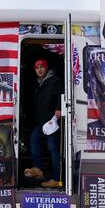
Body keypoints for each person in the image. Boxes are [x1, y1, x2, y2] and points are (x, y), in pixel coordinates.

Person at [24, 59, 62, 188]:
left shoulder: (54, 80)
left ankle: (57, 179)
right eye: (37, 67)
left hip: (52, 122)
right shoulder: (38, 84)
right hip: (42, 122)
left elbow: (60, 94)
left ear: (46, 68)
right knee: (34, 138)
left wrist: (58, 108)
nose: (39, 70)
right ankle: (38, 169)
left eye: (42, 67)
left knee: (53, 148)